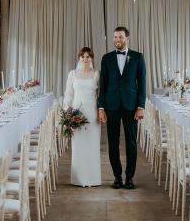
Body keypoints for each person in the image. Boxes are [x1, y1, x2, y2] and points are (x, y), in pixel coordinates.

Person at [97, 27, 146, 190]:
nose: (117, 39)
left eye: (120, 37)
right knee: (112, 142)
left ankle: (129, 177)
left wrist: (141, 106)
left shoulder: (138, 57)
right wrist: (101, 107)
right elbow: (102, 86)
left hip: (131, 106)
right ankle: (117, 176)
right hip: (111, 106)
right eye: (115, 37)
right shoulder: (106, 58)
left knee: (131, 143)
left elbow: (143, 84)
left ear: (127, 38)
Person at [62, 47, 102, 187]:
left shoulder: (96, 74)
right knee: (78, 145)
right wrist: (67, 110)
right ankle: (78, 179)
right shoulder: (72, 74)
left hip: (92, 113)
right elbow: (69, 94)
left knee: (92, 145)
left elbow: (100, 96)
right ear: (79, 58)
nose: (85, 59)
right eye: (83, 57)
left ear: (92, 58)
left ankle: (93, 178)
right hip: (77, 113)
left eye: (88, 57)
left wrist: (101, 111)